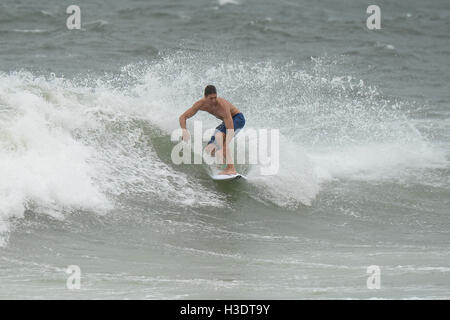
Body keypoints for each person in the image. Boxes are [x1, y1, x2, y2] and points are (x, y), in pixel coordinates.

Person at [179, 85, 245, 175]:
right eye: (211, 98)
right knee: (209, 149)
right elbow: (183, 117)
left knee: (221, 141)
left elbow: (230, 129)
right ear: (205, 97)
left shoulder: (222, 106)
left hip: (237, 119)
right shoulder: (200, 104)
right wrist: (184, 130)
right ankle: (218, 167)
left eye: (215, 97)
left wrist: (225, 144)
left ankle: (231, 168)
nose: (214, 101)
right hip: (226, 122)